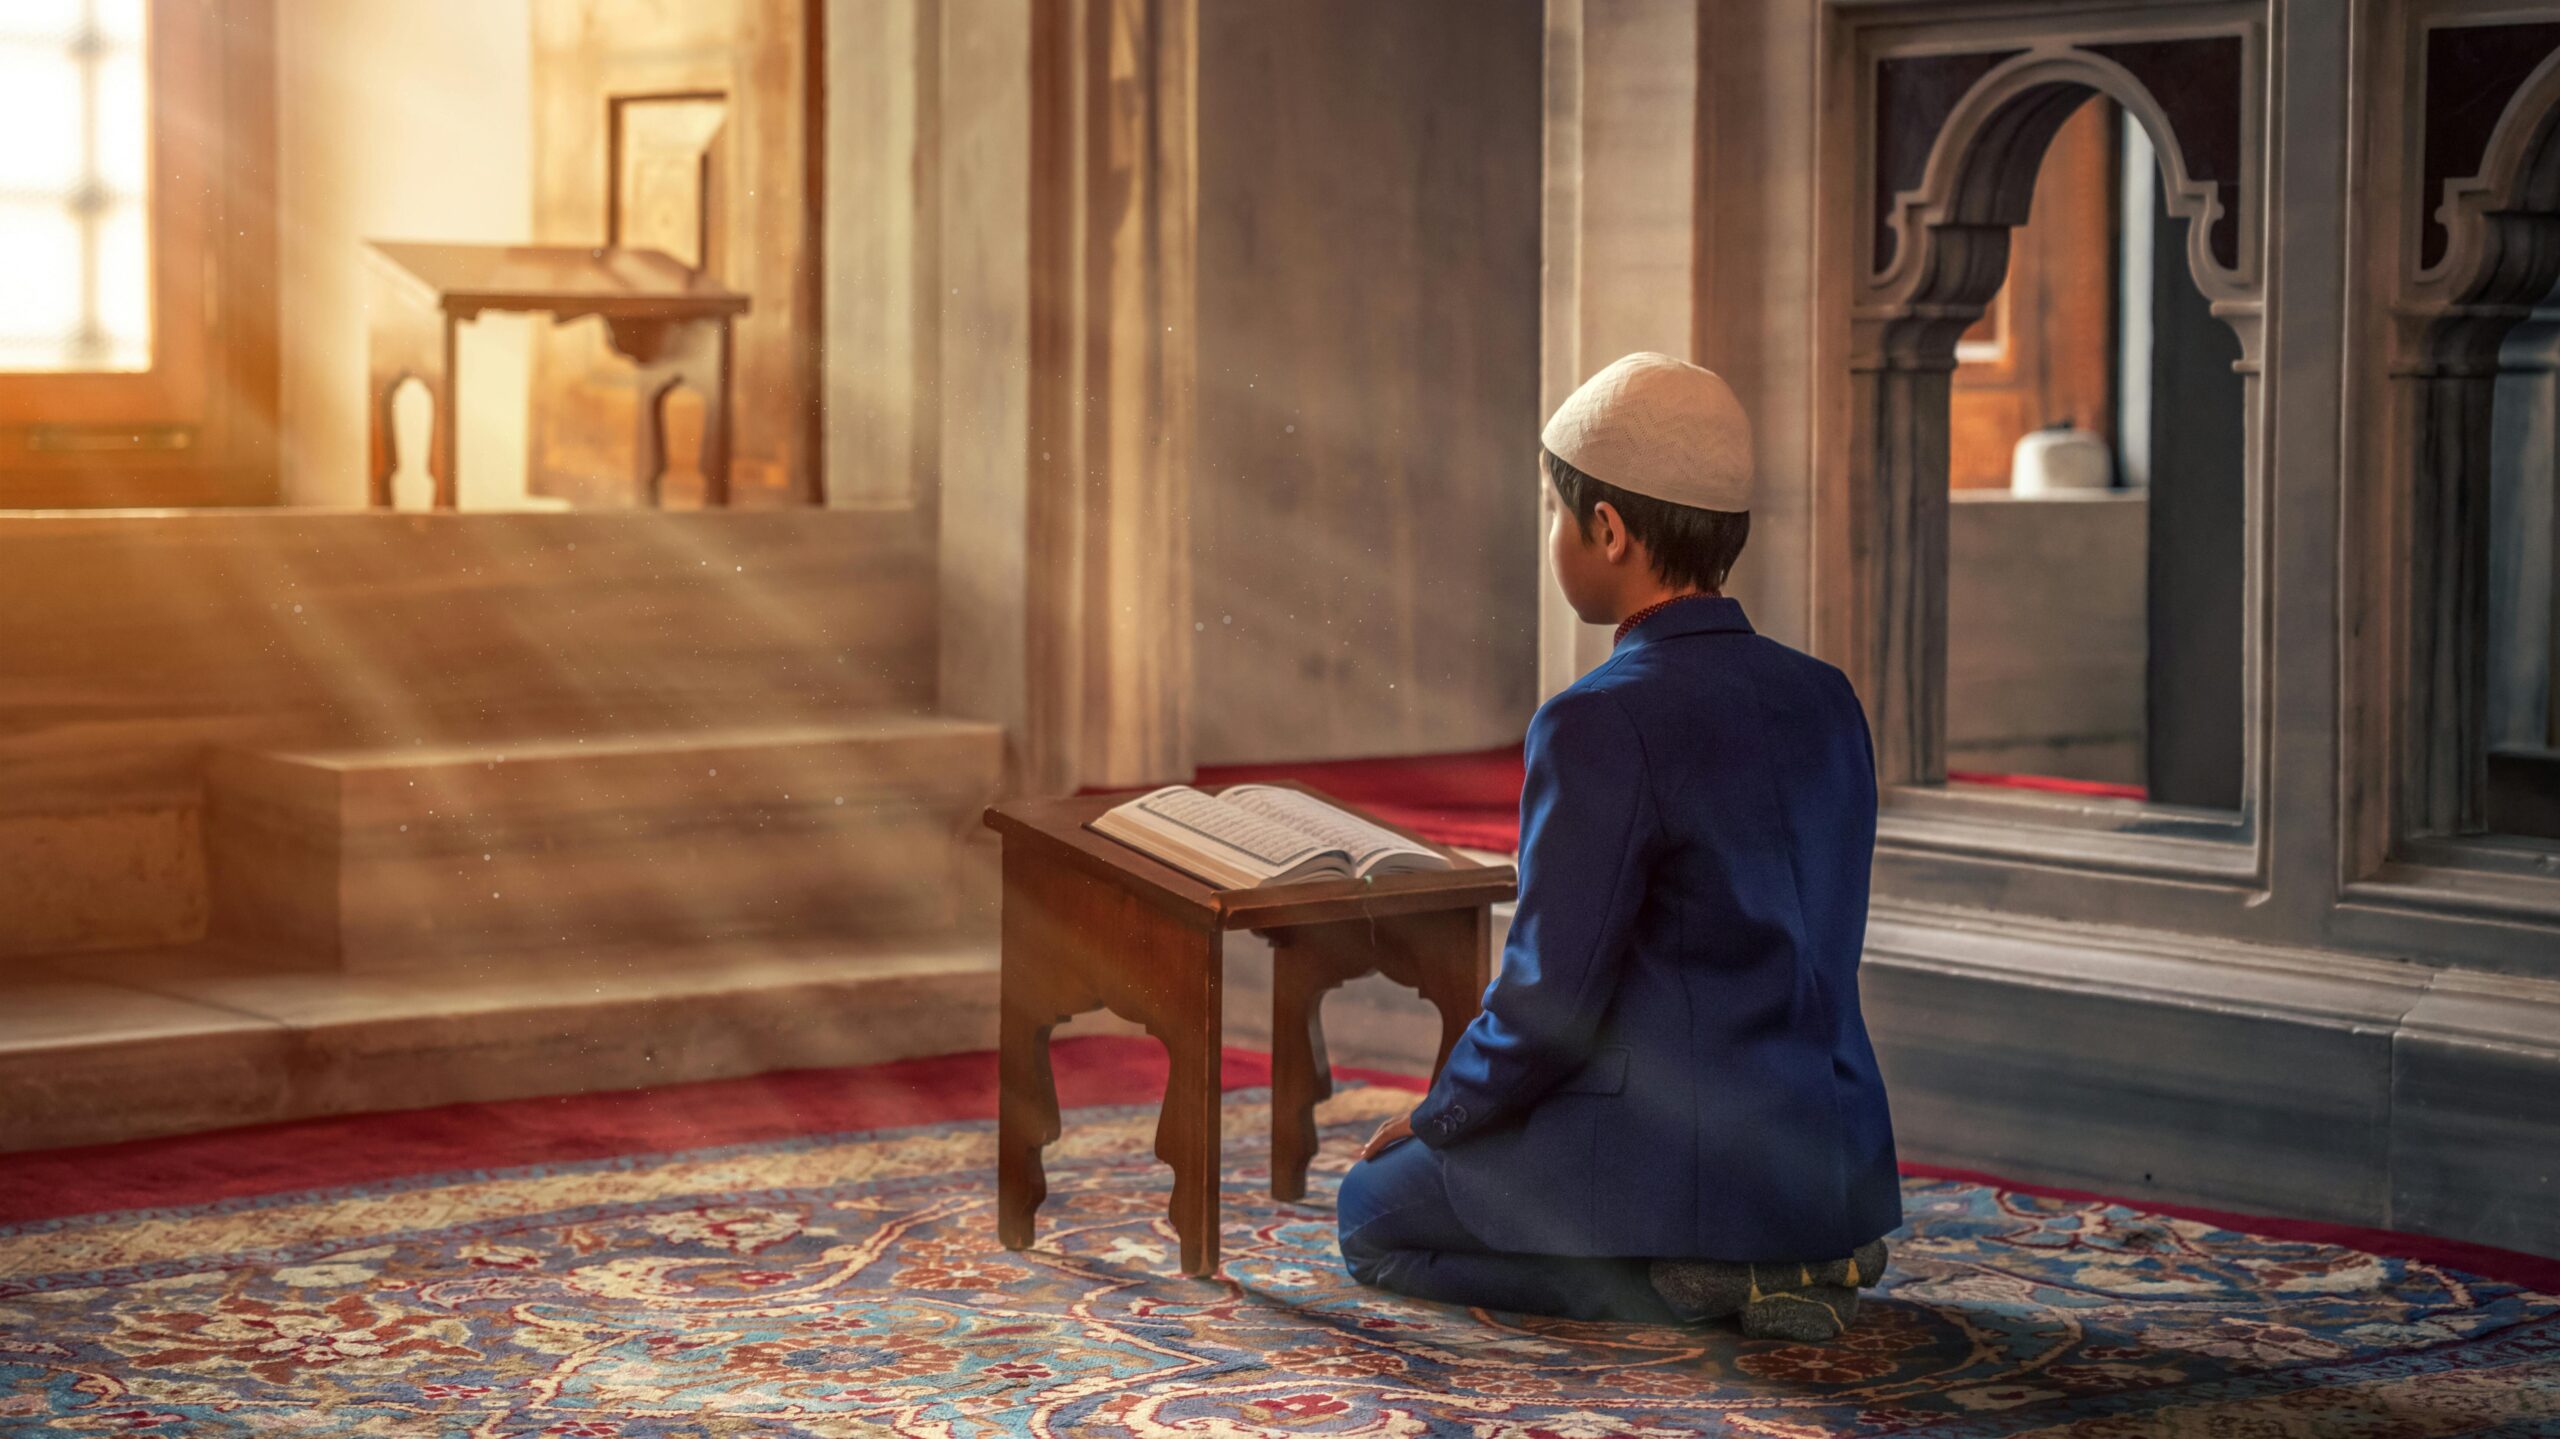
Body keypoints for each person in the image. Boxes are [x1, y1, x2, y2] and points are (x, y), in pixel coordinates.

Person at [1334, 352, 1899, 1341]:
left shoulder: (1597, 719)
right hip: (1827, 1154)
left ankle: (1679, 1277)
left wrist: (1441, 1114)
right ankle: (1792, 1250)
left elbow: (1550, 1002)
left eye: (1555, 513)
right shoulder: (1826, 695)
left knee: (1369, 1214)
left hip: (1672, 1155)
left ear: (1608, 529)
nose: (1554, 536)